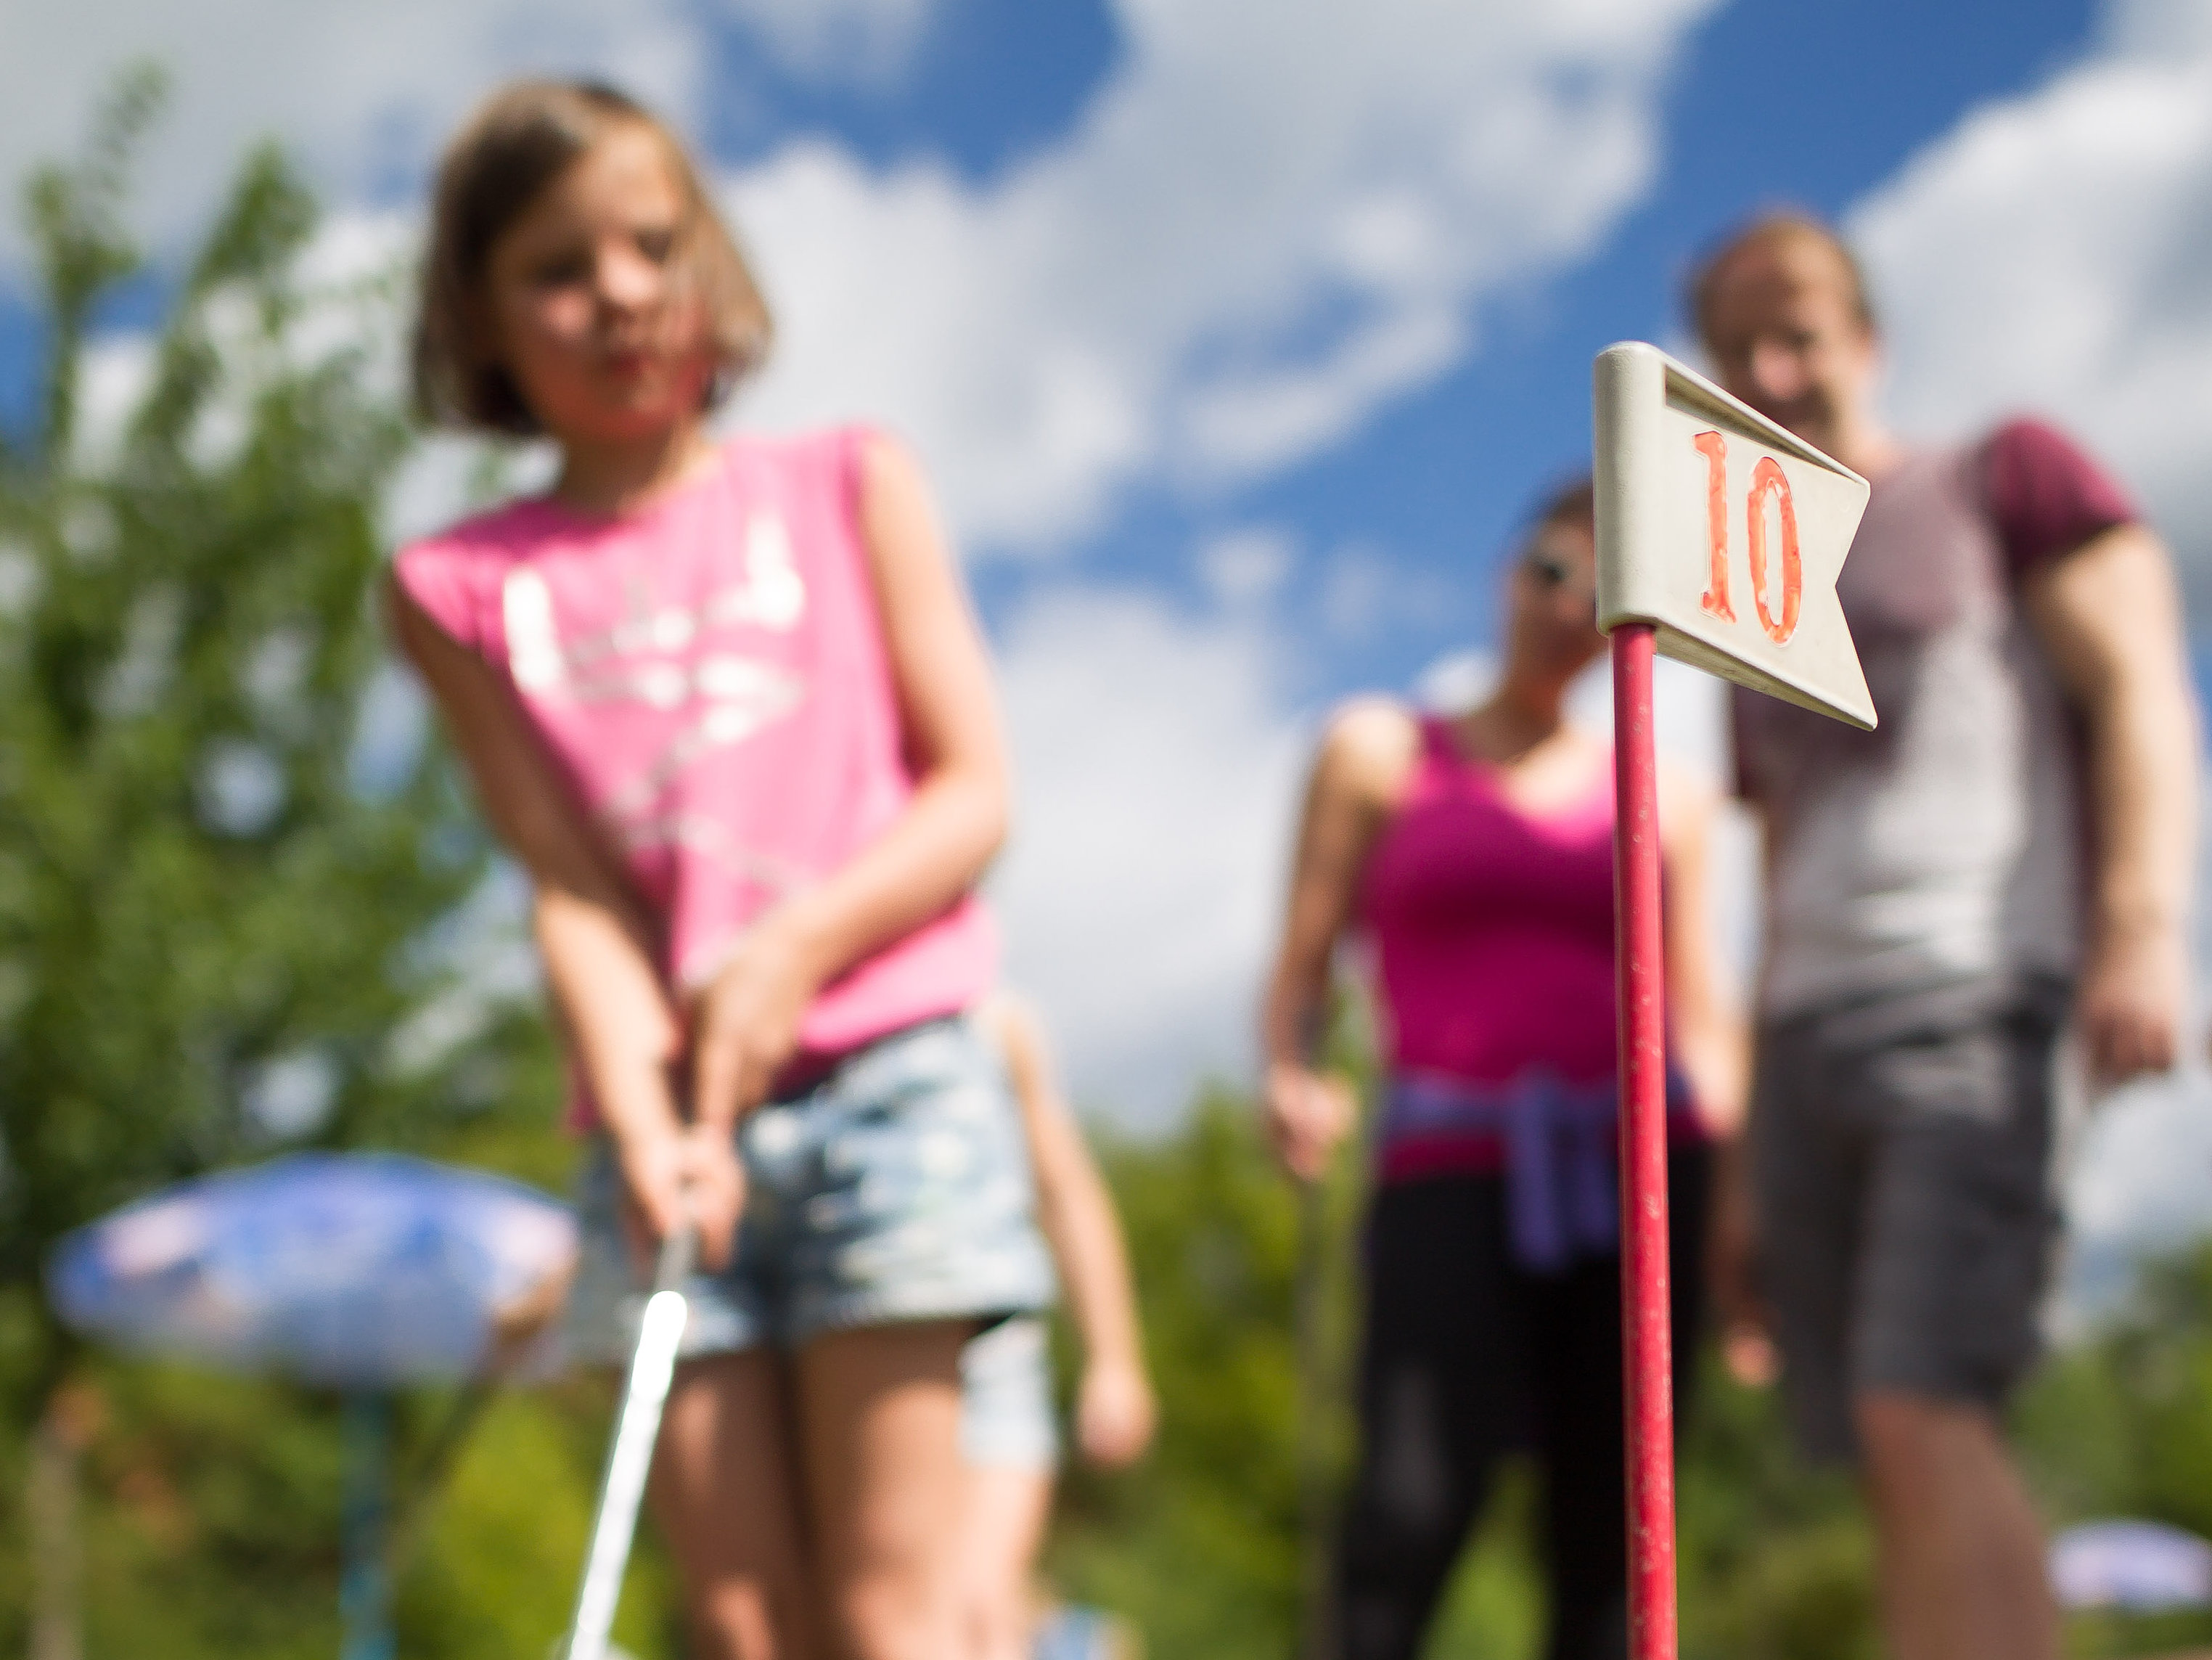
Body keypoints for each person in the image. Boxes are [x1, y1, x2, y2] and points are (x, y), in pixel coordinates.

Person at [388, 79, 1053, 1660]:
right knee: (747, 1626)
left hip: (895, 1085)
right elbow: (568, 883)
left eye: (652, 243)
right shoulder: (457, 590)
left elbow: (973, 793)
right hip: (665, 1130)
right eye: (557, 268)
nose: (619, 292)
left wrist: (788, 955)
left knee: (898, 1618)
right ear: (479, 320)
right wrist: (639, 1108)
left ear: (709, 261)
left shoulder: (845, 483)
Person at [1692, 211, 2200, 1660]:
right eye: (1736, 349)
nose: (1772, 365)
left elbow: (2143, 687)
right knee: (1876, 1436)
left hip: (1979, 984)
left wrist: (2142, 926)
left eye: (1795, 323)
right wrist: (1740, 1156)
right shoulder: (1756, 604)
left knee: (1929, 1397)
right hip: (1808, 1034)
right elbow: (1775, 856)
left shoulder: (2004, 476)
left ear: (1870, 332)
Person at [1260, 479, 1745, 1660]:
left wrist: (1742, 1208)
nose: (1563, 605)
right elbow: (1302, 967)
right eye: (1546, 570)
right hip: (1448, 1160)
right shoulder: (1379, 752)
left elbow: (1699, 1011)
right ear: (1502, 569)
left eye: (1594, 591)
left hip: (1638, 1178)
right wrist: (1289, 1069)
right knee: (1409, 1499)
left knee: (1608, 1533)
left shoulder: (1667, 794)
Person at [957, 991, 1155, 1660]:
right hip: (841, 1350)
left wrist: (1115, 1359)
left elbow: (1066, 1189)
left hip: (989, 1351)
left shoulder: (991, 1018)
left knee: (975, 1608)